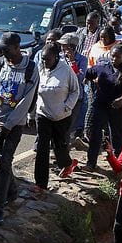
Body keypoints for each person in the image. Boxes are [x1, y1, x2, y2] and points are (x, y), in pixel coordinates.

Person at [0, 32, 38, 226]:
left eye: (7, 50)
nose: (5, 53)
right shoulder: (0, 63)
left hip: (14, 124)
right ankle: (13, 191)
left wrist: (8, 126)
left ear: (17, 47)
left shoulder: (31, 68)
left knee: (5, 161)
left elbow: (26, 101)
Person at [34, 42, 80, 190]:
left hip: (61, 116)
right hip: (43, 113)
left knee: (59, 146)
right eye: (43, 59)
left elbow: (75, 91)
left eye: (48, 59)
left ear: (56, 57)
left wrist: (67, 107)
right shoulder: (40, 68)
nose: (45, 62)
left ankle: (67, 163)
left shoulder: (66, 71)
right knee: (42, 148)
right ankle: (40, 183)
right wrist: (31, 112)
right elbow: (34, 90)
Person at [83, 44, 122, 169]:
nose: (114, 59)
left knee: (116, 134)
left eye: (118, 57)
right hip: (100, 105)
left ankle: (118, 162)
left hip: (117, 106)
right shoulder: (102, 67)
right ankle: (91, 162)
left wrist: (121, 99)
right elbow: (88, 73)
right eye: (113, 56)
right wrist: (91, 83)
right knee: (95, 133)